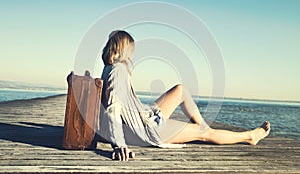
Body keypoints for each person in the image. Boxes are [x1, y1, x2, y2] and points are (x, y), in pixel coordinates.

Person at [99, 30, 271, 161]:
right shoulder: (118, 70)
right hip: (145, 130)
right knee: (203, 133)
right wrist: (119, 145)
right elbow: (113, 108)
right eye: (131, 49)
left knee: (180, 90)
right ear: (124, 48)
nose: (132, 53)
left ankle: (204, 127)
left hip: (143, 118)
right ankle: (249, 136)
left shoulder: (109, 68)